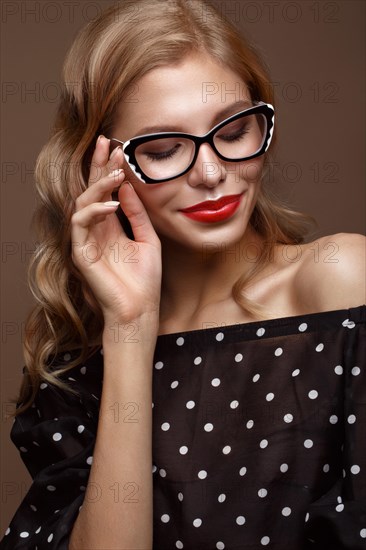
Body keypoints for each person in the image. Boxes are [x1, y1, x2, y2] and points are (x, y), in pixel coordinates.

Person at [1, 0, 365, 548]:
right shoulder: (77, 360)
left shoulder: (340, 280)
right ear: (101, 166)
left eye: (235, 130)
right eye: (166, 149)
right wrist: (129, 328)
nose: (214, 172)